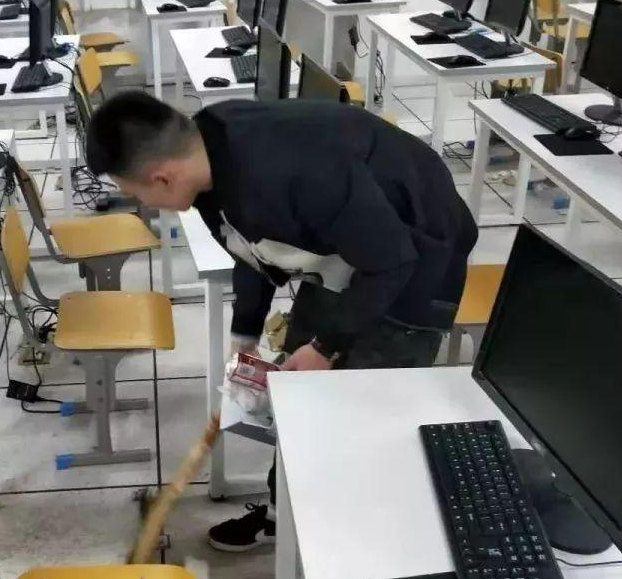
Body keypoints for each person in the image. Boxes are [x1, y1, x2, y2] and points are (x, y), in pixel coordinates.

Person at [85, 92, 478, 552]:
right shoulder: (208, 151)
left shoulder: (294, 176)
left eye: (138, 195)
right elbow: (248, 247)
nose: (145, 204)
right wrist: (245, 333)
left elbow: (393, 263)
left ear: (162, 178)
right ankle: (280, 516)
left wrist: (326, 347)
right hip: (351, 249)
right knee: (298, 392)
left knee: (361, 414)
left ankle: (357, 545)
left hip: (417, 261)